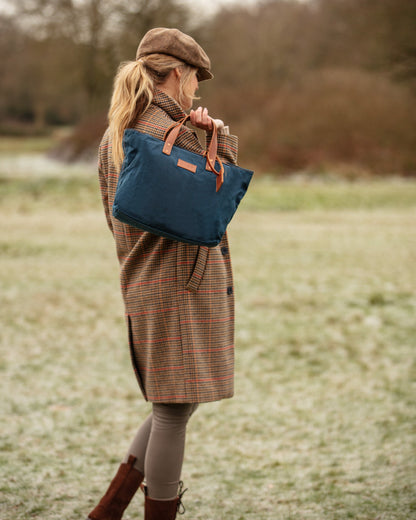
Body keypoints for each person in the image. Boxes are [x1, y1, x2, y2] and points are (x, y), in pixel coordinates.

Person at [87, 27, 239, 520]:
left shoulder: (120, 129)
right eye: (195, 77)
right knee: (173, 410)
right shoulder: (164, 132)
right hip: (178, 286)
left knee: (171, 403)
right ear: (177, 73)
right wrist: (213, 136)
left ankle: (108, 512)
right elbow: (217, 199)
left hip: (149, 281)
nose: (197, 88)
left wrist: (203, 135)